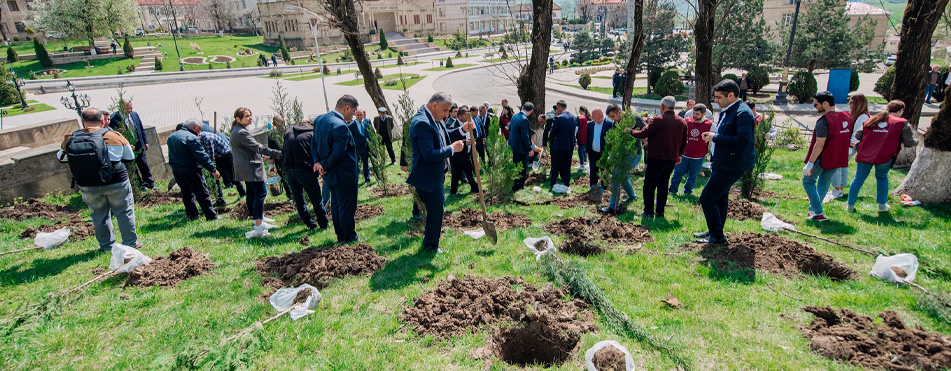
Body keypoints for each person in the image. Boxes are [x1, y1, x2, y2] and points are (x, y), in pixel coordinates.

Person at [56, 108, 140, 250]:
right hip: (116, 182)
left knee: (99, 215)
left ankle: (106, 245)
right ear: (102, 121)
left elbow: (61, 158)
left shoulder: (71, 138)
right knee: (124, 212)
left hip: (88, 184)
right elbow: (129, 157)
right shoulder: (114, 136)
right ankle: (130, 243)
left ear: (83, 122)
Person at [406, 92, 473, 252]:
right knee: (436, 213)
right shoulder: (422, 123)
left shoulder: (433, 118)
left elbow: (443, 136)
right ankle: (430, 245)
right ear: (434, 105)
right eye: (445, 110)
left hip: (434, 175)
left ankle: (429, 242)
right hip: (428, 177)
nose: (447, 115)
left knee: (436, 211)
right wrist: (451, 149)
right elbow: (429, 154)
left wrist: (462, 130)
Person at [695, 79, 755, 244]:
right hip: (723, 162)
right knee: (720, 197)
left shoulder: (742, 113)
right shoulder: (729, 110)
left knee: (707, 197)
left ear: (731, 95)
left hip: (732, 164)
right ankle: (715, 231)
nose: (716, 101)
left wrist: (716, 138)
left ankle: (716, 236)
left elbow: (742, 140)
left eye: (719, 97)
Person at [847, 100, 918, 213]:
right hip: (884, 156)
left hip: (865, 154)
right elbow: (908, 143)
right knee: (882, 178)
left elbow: (858, 135)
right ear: (901, 110)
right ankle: (882, 206)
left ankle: (850, 206)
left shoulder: (872, 119)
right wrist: (917, 142)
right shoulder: (901, 123)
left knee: (858, 179)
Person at [313, 95, 361, 244]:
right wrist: (324, 166)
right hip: (343, 174)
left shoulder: (320, 119)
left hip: (330, 175)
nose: (353, 115)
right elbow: (338, 154)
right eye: (353, 111)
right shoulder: (340, 126)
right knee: (346, 207)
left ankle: (341, 235)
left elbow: (313, 142)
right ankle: (349, 237)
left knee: (336, 205)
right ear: (346, 108)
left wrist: (318, 163)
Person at [630, 96, 687, 218]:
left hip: (656, 157)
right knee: (663, 184)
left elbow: (644, 134)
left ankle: (648, 211)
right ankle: (660, 212)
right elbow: (684, 141)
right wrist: (680, 155)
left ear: (662, 107)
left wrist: (631, 131)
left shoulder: (659, 119)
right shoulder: (682, 121)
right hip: (671, 158)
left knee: (650, 185)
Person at [802, 91, 852, 222]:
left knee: (808, 182)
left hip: (822, 159)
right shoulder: (846, 117)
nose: (815, 107)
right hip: (837, 158)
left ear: (825, 103)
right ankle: (813, 210)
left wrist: (810, 163)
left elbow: (819, 144)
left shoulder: (824, 122)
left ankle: (818, 212)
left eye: (816, 104)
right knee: (824, 183)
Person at [231, 107, 283, 232]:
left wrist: (259, 156)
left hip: (245, 166)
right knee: (261, 193)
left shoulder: (237, 130)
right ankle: (259, 224)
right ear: (238, 119)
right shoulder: (241, 132)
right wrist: (278, 153)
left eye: (250, 115)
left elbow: (247, 149)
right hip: (251, 167)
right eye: (247, 116)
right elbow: (258, 147)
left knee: (251, 193)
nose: (250, 118)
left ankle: (257, 218)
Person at [168, 119, 222, 221]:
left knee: (186, 193)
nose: (200, 133)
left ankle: (192, 215)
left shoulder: (172, 136)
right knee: (202, 193)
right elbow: (202, 156)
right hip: (190, 170)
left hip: (177, 170)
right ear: (193, 128)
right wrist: (213, 170)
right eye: (199, 130)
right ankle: (211, 216)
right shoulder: (191, 138)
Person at [283, 119, 330, 230]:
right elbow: (316, 152)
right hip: (305, 170)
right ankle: (324, 224)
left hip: (289, 170)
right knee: (316, 199)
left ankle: (310, 224)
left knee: (299, 200)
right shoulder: (311, 134)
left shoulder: (289, 131)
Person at [824, 94, 870, 203]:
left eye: (851, 102)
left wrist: (850, 147)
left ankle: (837, 189)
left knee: (836, 164)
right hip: (849, 144)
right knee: (841, 165)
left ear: (858, 104)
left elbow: (857, 133)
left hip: (852, 145)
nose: (849, 105)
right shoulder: (858, 115)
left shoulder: (863, 116)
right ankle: (839, 188)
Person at [602, 105, 645, 214]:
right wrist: (612, 155)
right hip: (622, 154)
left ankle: (613, 206)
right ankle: (632, 197)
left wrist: (646, 140)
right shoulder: (617, 123)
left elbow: (646, 130)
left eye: (613, 116)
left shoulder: (634, 118)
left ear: (619, 112)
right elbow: (617, 140)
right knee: (623, 177)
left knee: (616, 177)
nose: (612, 119)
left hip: (634, 154)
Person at [109, 100, 155, 190]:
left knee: (144, 165)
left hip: (139, 145)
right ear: (121, 107)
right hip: (128, 148)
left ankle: (150, 183)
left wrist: (145, 142)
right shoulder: (114, 119)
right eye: (127, 108)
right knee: (133, 168)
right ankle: (140, 186)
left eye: (131, 107)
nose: (130, 110)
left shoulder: (134, 115)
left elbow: (141, 128)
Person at [669, 103, 713, 195]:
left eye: (697, 114)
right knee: (677, 173)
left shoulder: (709, 124)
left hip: (698, 156)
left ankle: (688, 191)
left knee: (693, 176)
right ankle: (672, 190)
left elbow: (714, 138)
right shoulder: (687, 121)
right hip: (684, 154)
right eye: (694, 113)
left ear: (703, 114)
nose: (695, 116)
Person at [195, 124, 244, 207]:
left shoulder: (207, 139)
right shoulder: (200, 139)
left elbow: (210, 157)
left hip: (227, 155)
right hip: (218, 157)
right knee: (216, 177)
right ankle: (220, 199)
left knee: (233, 176)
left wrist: (204, 166)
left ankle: (243, 193)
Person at [509, 102, 541, 192]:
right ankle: (520, 185)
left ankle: (515, 183)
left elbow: (512, 129)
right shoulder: (524, 120)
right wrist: (529, 149)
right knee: (522, 167)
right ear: (530, 111)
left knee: (516, 165)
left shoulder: (514, 116)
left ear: (522, 107)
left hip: (514, 145)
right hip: (521, 147)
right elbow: (525, 137)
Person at [448, 105, 479, 195]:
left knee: (470, 173)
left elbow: (474, 133)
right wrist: (465, 142)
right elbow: (451, 139)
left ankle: (475, 188)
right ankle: (453, 191)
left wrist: (474, 141)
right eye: (466, 115)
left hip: (467, 154)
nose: (468, 117)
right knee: (456, 174)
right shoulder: (453, 126)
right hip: (458, 155)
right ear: (459, 116)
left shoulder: (469, 123)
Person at [548, 100, 577, 189]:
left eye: (557, 108)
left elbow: (553, 133)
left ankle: (553, 182)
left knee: (556, 164)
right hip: (569, 145)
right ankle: (566, 182)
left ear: (560, 107)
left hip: (560, 145)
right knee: (567, 165)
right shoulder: (574, 117)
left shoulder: (559, 118)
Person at [587, 108, 614, 190]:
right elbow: (588, 138)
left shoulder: (609, 124)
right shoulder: (590, 124)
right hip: (593, 152)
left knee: (604, 172)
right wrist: (587, 150)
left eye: (593, 116)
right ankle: (593, 188)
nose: (591, 117)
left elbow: (612, 140)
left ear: (599, 116)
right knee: (593, 171)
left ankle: (604, 189)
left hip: (604, 153)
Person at [349, 109, 374, 185]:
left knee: (375, 161)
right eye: (358, 115)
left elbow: (372, 132)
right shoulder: (351, 126)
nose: (360, 117)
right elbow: (351, 138)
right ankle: (367, 179)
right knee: (365, 163)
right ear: (355, 115)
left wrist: (373, 143)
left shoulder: (367, 121)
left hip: (370, 145)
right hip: (360, 147)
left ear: (363, 115)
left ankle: (379, 177)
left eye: (361, 115)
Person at [576, 106, 590, 172]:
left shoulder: (580, 118)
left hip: (581, 136)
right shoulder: (589, 118)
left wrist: (574, 135)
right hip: (587, 137)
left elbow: (576, 128)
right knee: (585, 150)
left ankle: (582, 164)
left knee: (580, 150)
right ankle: (585, 162)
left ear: (581, 111)